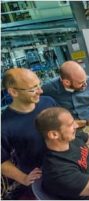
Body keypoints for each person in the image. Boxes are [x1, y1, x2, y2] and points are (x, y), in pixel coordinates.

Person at [1, 68, 57, 198]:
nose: (40, 91)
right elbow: (2, 161)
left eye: (39, 85)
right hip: (43, 179)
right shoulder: (4, 125)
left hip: (66, 164)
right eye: (33, 89)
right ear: (13, 92)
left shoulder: (48, 102)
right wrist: (24, 178)